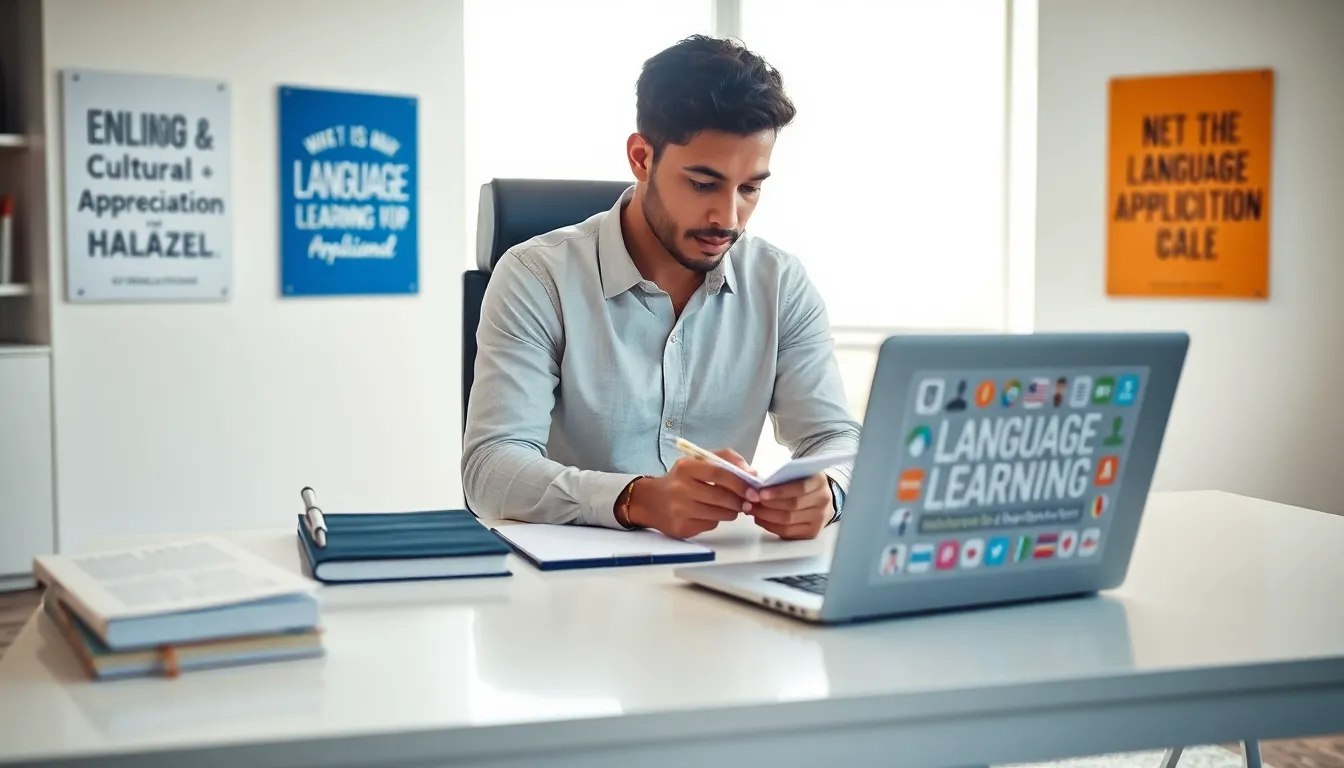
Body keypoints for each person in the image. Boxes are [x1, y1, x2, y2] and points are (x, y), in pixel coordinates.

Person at [462, 35, 860, 541]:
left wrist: (828, 490)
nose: (728, 217)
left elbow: (837, 439)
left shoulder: (779, 284)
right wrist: (636, 498)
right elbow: (489, 470)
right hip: (568, 596)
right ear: (641, 158)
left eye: (750, 188)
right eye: (702, 183)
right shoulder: (535, 276)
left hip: (719, 583)